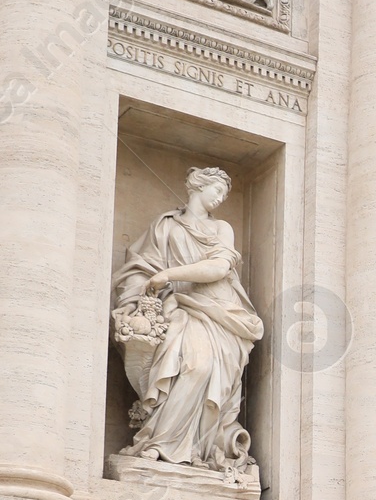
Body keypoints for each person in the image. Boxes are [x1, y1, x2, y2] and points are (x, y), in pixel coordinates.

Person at [112, 168, 263, 478]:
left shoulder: (222, 228)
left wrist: (169, 275)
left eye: (224, 193)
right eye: (216, 189)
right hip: (177, 307)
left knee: (201, 367)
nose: (220, 198)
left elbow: (218, 268)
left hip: (220, 312)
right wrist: (141, 295)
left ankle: (193, 447)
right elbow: (141, 267)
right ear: (198, 186)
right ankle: (160, 443)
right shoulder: (165, 226)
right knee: (184, 364)